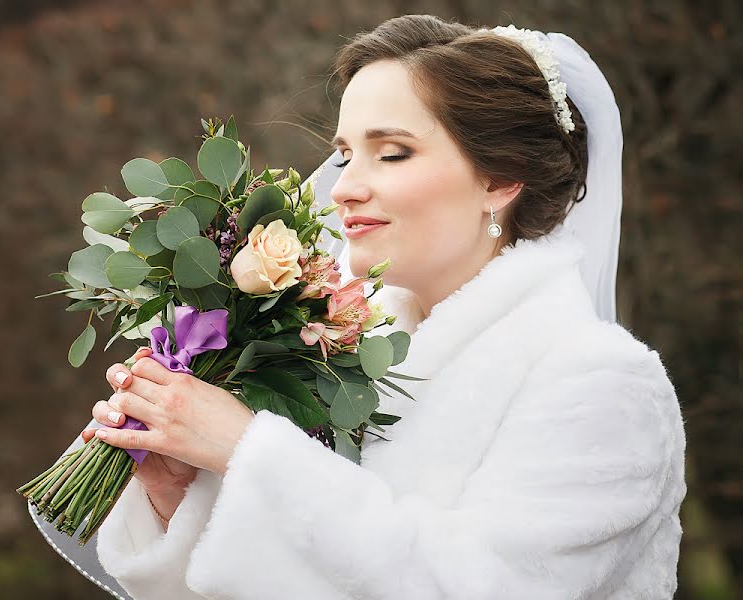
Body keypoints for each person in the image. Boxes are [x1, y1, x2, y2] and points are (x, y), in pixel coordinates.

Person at [60, 15, 686, 599]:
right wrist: (181, 496)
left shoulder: (603, 382)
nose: (346, 187)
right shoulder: (348, 356)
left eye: (392, 153)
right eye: (345, 153)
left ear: (500, 178)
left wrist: (249, 449)